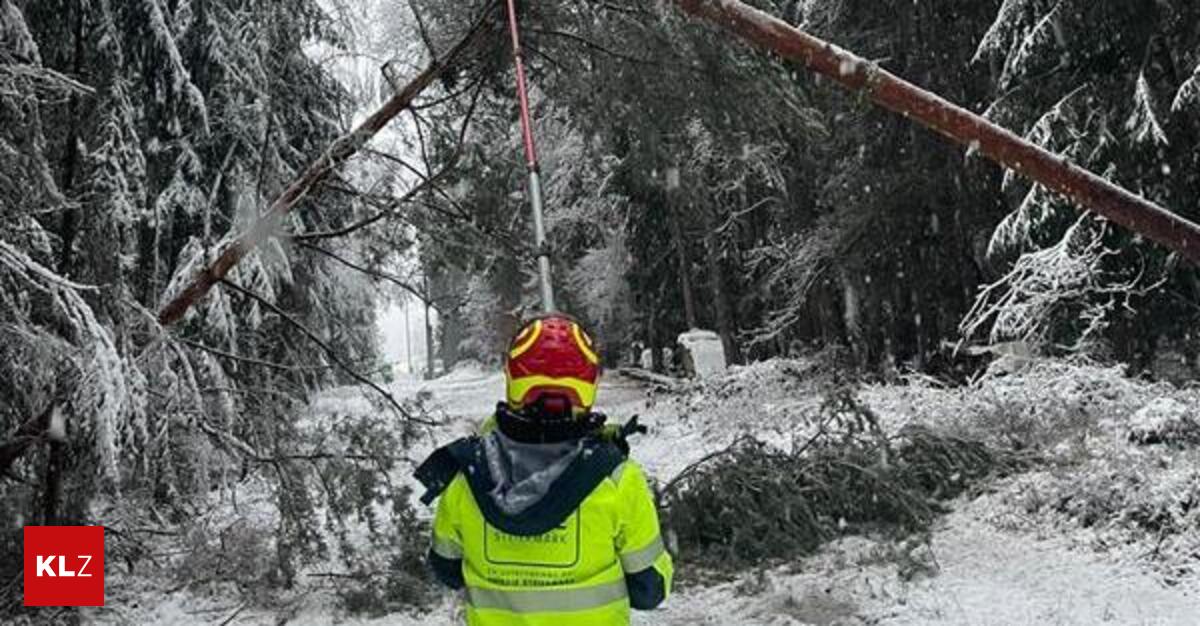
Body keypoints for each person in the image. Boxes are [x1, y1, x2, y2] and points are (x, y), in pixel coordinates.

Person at [415, 314, 673, 625]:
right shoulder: (615, 477)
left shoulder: (467, 473)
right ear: (589, 385)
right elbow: (651, 590)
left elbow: (447, 570)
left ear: (513, 380)